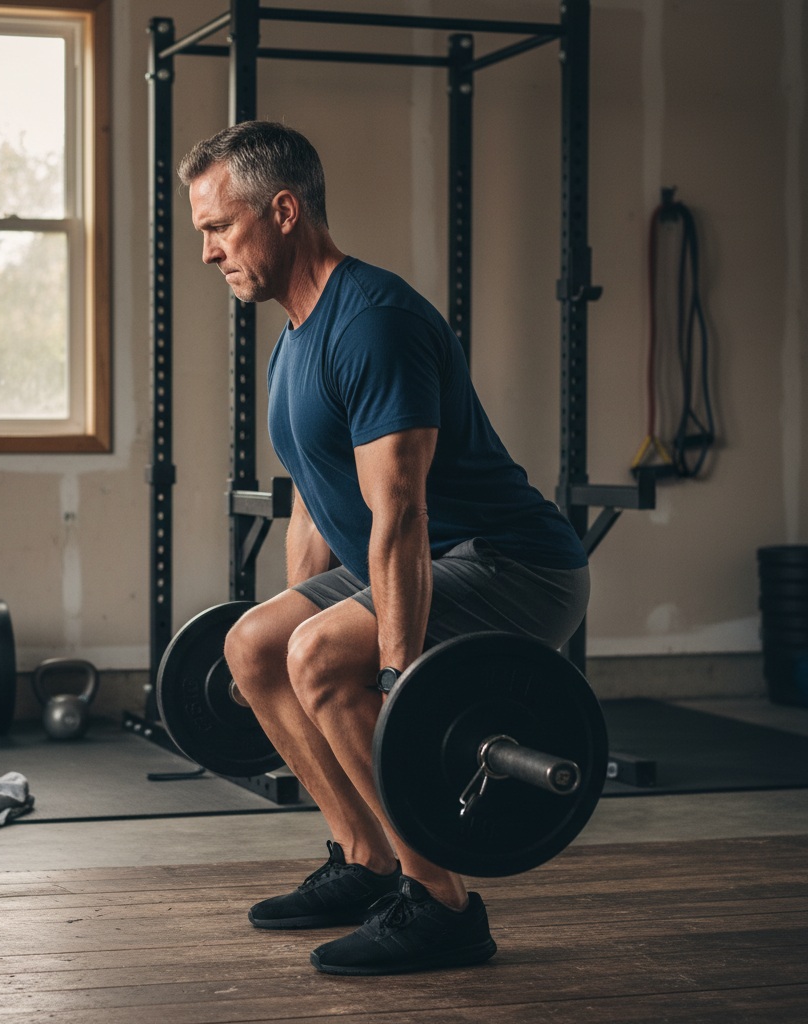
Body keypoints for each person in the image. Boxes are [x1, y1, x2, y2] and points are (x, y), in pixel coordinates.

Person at [178, 121, 590, 976]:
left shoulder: (374, 322)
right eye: (202, 233)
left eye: (219, 227)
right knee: (253, 645)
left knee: (323, 657)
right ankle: (364, 859)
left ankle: (442, 906)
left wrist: (399, 685)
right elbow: (313, 507)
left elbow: (399, 513)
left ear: (283, 211)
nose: (208, 252)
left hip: (514, 564)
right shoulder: (295, 341)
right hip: (435, 561)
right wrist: (287, 630)